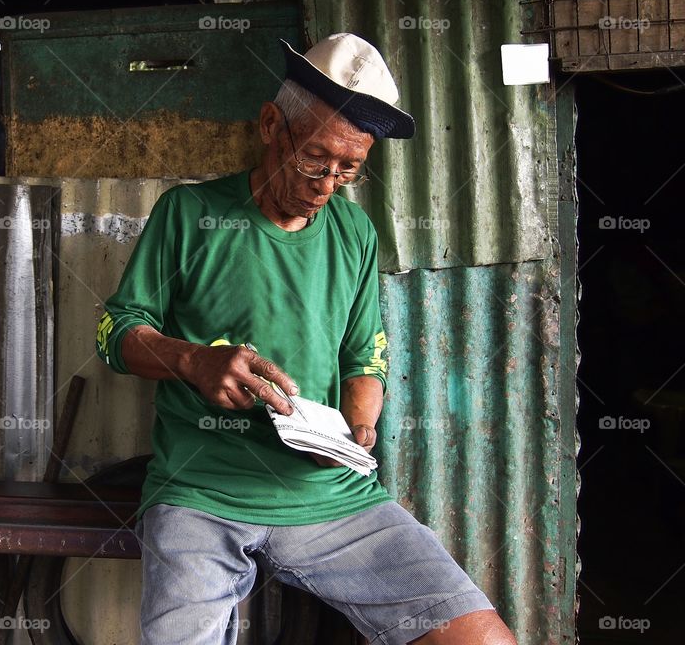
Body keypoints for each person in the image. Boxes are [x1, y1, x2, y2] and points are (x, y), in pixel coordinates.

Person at [96, 33, 518, 645]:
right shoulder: (187, 215)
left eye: (350, 168)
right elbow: (117, 330)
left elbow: (364, 351)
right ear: (273, 125)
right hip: (202, 491)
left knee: (480, 640)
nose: (328, 183)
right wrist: (192, 361)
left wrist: (357, 428)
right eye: (316, 158)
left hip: (332, 494)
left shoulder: (355, 231)